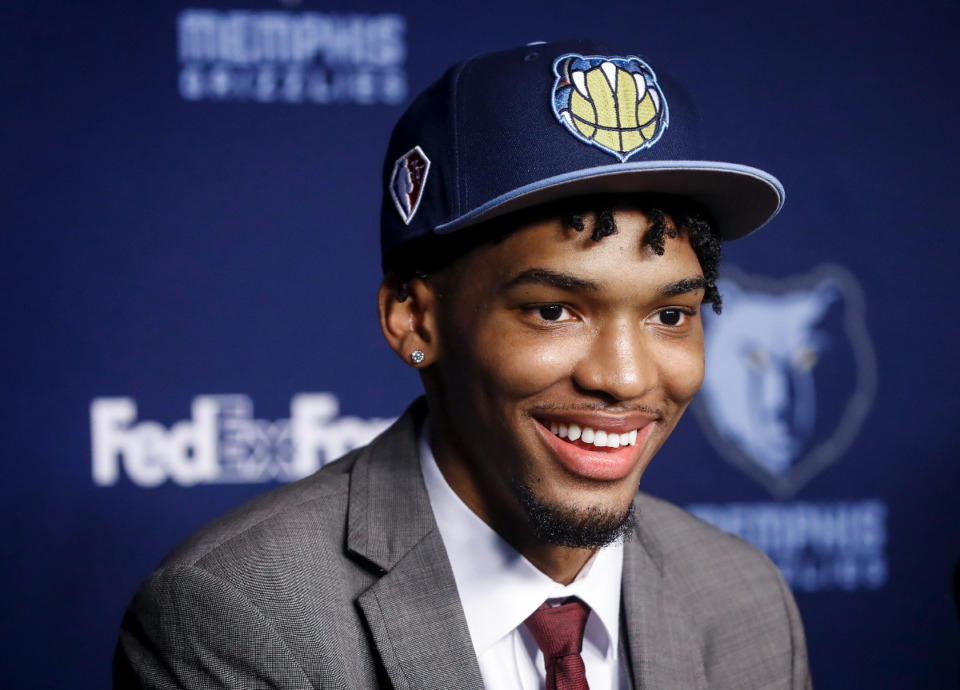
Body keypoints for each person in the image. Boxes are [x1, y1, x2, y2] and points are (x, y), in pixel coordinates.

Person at [115, 40, 811, 689]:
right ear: (414, 318)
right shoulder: (239, 615)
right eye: (552, 310)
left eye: (670, 316)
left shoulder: (745, 598)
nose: (625, 378)